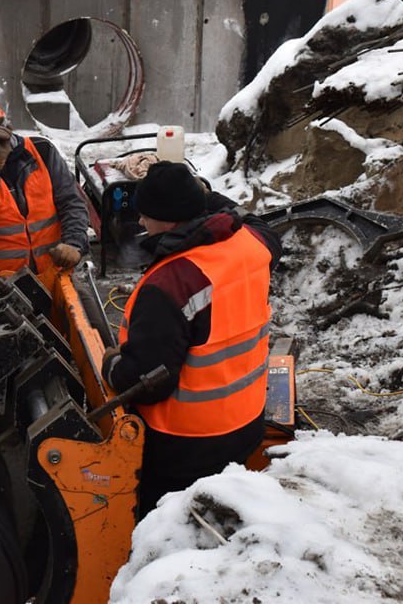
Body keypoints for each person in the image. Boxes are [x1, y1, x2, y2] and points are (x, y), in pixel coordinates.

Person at [100, 161, 282, 519]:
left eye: (146, 215)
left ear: (168, 221)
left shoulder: (170, 284)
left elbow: (146, 382)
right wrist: (204, 195)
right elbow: (253, 221)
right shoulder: (254, 246)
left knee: (166, 526)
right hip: (246, 424)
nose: (140, 222)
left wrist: (110, 364)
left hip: (184, 446)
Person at [0, 92, 89, 283]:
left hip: (53, 274)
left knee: (88, 311)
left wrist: (74, 244)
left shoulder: (42, 153)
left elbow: (71, 202)